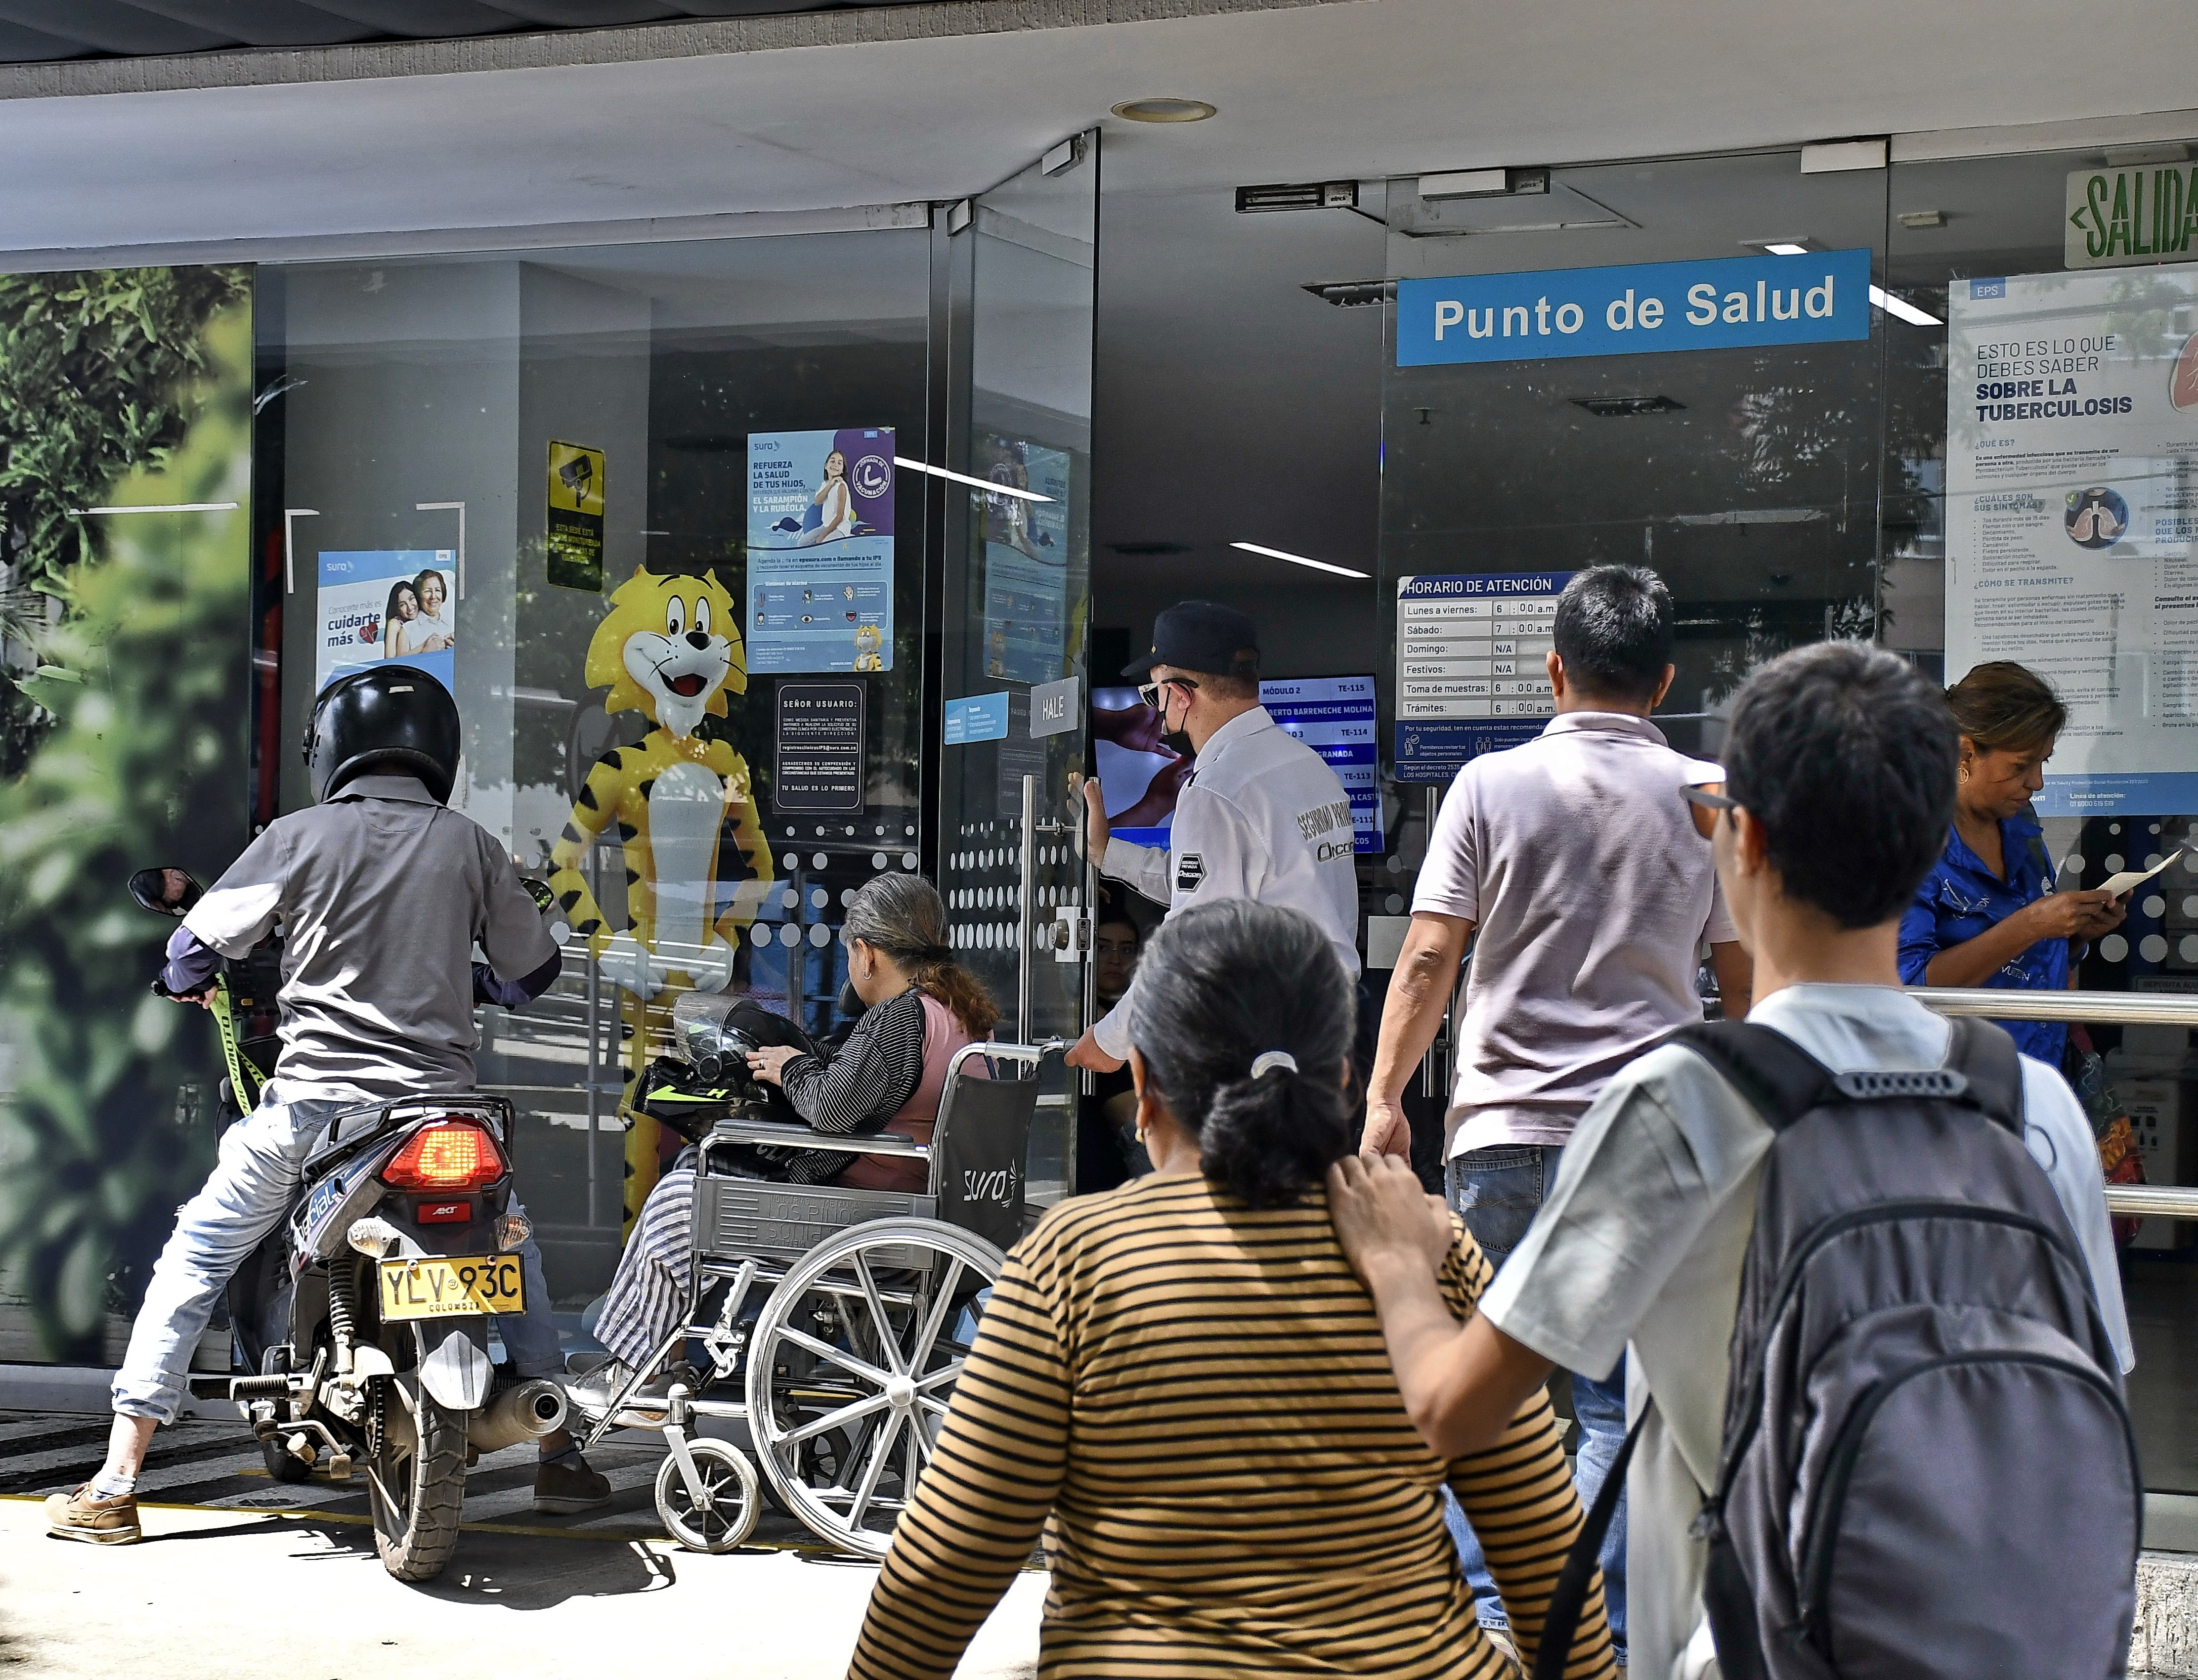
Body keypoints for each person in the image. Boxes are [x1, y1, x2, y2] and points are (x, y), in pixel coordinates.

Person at [1330, 641, 2133, 1680]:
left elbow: (1455, 1408)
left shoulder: (1685, 1100)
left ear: (1742, 838)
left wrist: (1400, 1252)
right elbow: (2096, 1399)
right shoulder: (2031, 1106)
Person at [848, 900, 1617, 1680]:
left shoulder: (1072, 1261)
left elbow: (939, 1572)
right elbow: (1545, 1557)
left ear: (1141, 1080)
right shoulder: (1423, 1245)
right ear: (1342, 1079)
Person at [47, 668, 609, 1544]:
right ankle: (562, 1454)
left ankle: (116, 1480)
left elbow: (195, 946)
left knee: (196, 1253)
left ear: (332, 749)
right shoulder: (468, 844)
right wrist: (462, 975)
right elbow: (532, 973)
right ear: (440, 751)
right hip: (441, 1115)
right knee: (513, 1247)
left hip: (316, 1111)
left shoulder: (297, 835)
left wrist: (182, 978)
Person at [1358, 564, 1751, 1657]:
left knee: (1488, 1398)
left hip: (1503, 1137)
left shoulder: (1488, 784)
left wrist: (1385, 1096)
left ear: (1552, 666)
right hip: (1654, 1139)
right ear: (1664, 679)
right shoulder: (1706, 793)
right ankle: (1597, 1635)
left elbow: (1432, 950)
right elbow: (1742, 969)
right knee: (1613, 1410)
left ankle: (1493, 1621)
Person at [568, 873, 998, 1419]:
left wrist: (789, 1066)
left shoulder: (899, 1015)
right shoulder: (959, 1016)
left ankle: (641, 1373)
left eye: (849, 952)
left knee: (680, 1198)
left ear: (866, 954)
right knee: (701, 1175)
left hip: (860, 1211)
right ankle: (666, 1351)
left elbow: (834, 1109)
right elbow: (866, 1089)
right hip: (906, 1200)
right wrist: (809, 1060)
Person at [1067, 601, 1362, 1085]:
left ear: (1180, 694)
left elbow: (1192, 937)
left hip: (1261, 1051)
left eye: (1154, 691)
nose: (1154, 708)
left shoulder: (1217, 789)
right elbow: (1224, 886)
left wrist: (1111, 1038)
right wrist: (1107, 854)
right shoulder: (1305, 766)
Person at [1899, 659, 2123, 1066]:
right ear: (1966, 752)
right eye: (2020, 766)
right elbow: (1909, 987)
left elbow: (2027, 959)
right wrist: (2030, 925)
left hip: (2038, 1071)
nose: (2036, 782)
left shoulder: (2020, 823)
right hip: (1952, 1086)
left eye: (2044, 762)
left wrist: (2073, 934)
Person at [1075, 904, 1144, 1193]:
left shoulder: (1142, 1010)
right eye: (1103, 948)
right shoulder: (1080, 1016)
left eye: (1126, 949)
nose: (1115, 959)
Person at [401, 568, 454, 653]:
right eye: (428, 591)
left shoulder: (452, 625)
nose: (434, 596)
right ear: (419, 596)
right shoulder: (408, 629)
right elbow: (399, 665)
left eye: (437, 590)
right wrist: (425, 651)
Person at [381, 579, 419, 660]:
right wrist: (423, 648)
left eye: (411, 599)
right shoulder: (395, 623)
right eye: (403, 605)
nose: (410, 607)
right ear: (398, 610)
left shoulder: (423, 617)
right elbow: (390, 660)